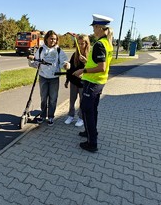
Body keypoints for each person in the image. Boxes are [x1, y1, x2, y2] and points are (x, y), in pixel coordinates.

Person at [74, 14, 114, 152]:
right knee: (92, 110)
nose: (93, 30)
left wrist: (82, 70)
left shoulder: (99, 44)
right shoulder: (107, 43)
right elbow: (98, 63)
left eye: (94, 27)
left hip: (93, 83)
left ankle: (92, 143)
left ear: (99, 27)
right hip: (98, 82)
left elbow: (101, 67)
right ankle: (90, 132)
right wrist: (87, 62)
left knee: (86, 110)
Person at [28, 30, 70, 126]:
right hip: (43, 77)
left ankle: (50, 116)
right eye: (51, 38)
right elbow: (35, 63)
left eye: (55, 39)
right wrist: (31, 61)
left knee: (53, 99)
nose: (53, 41)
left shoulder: (58, 50)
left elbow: (63, 62)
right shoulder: (41, 50)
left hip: (54, 78)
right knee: (43, 98)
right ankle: (42, 116)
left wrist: (66, 65)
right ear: (46, 39)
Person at [64, 34, 90, 127]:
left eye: (82, 43)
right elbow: (70, 69)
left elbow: (93, 68)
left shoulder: (90, 55)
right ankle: (70, 116)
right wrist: (67, 80)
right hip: (73, 82)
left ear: (87, 44)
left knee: (82, 101)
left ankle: (81, 118)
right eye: (78, 44)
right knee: (72, 100)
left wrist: (86, 61)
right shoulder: (75, 55)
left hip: (83, 83)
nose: (80, 46)